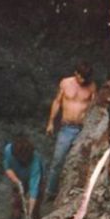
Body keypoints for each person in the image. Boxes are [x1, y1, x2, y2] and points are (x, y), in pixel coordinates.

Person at [44, 61, 97, 200]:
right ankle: (50, 192)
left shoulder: (91, 87)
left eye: (86, 78)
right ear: (76, 73)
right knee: (58, 159)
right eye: (82, 77)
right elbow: (57, 102)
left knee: (80, 162)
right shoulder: (66, 83)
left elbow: (94, 109)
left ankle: (77, 195)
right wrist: (51, 122)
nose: (84, 81)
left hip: (84, 129)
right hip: (67, 127)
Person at [2, 135, 43, 219]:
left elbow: (34, 190)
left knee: (35, 206)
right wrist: (17, 181)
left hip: (35, 178)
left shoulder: (35, 164)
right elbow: (7, 168)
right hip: (18, 176)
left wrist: (30, 211)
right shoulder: (9, 150)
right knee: (16, 202)